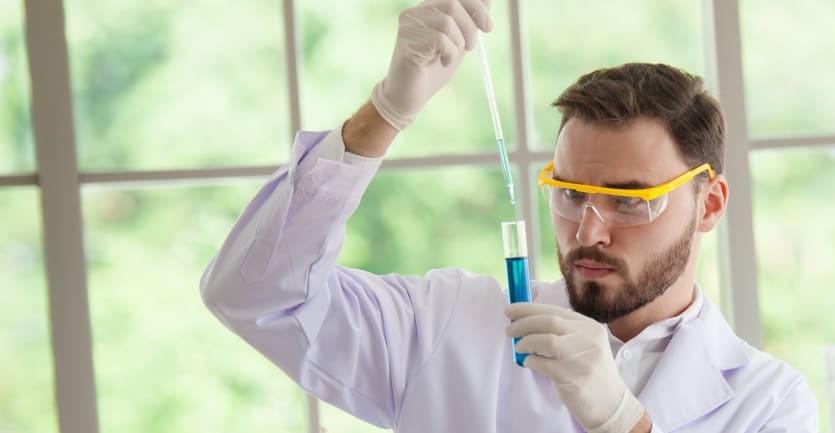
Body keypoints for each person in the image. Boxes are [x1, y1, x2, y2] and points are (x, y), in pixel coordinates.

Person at [199, 1, 819, 432]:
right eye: (572, 192)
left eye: (631, 201)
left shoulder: (769, 404)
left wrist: (622, 423)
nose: (589, 230)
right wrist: (384, 113)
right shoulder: (447, 328)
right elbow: (253, 295)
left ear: (708, 205)